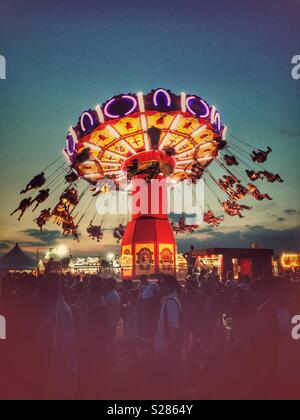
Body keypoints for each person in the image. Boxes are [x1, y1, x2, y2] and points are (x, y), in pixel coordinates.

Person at [154, 275, 182, 398]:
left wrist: (167, 347)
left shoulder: (170, 302)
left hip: (166, 349)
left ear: (169, 286)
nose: (160, 287)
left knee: (167, 381)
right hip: (166, 347)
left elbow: (173, 328)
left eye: (162, 284)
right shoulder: (169, 300)